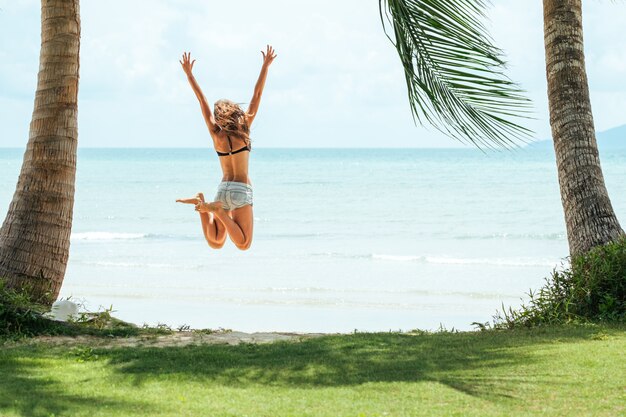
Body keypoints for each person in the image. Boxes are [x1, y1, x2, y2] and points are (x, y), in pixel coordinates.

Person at [176, 45, 277, 250]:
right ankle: (219, 212)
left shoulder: (216, 134)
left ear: (219, 116)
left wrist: (189, 75)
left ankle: (203, 204)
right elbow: (256, 95)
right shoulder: (245, 128)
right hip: (240, 190)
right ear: (234, 112)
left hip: (223, 190)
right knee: (243, 244)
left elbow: (201, 101)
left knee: (215, 242)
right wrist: (265, 66)